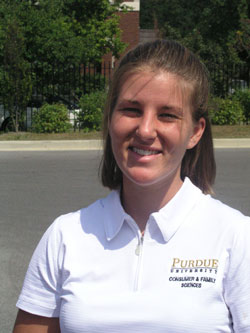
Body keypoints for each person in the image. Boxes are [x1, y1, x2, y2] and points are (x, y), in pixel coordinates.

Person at [13, 40, 250, 333]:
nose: (146, 130)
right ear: (111, 119)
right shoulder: (65, 236)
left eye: (167, 115)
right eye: (132, 110)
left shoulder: (236, 237)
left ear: (196, 132)